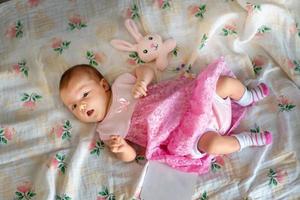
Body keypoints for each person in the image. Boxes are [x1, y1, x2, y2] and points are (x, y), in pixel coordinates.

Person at [59, 57, 272, 174]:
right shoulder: (105, 130)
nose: (82, 105)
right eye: (73, 106)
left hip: (190, 101)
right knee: (213, 145)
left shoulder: (121, 84)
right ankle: (247, 140)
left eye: (84, 94)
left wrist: (141, 81)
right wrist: (122, 149)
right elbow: (131, 156)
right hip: (184, 133)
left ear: (103, 85)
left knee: (223, 84)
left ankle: (247, 97)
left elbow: (146, 70)